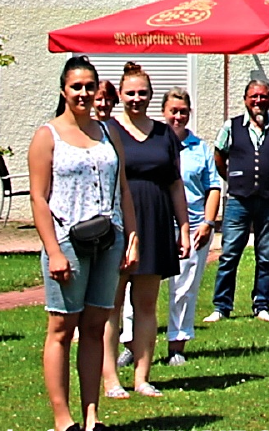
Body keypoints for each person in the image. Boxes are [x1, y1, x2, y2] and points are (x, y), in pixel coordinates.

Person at [27, 57, 121, 431]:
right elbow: (38, 197)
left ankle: (92, 415)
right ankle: (62, 419)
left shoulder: (108, 133)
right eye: (76, 86)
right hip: (67, 241)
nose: (83, 93)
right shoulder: (47, 135)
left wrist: (130, 236)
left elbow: (122, 189)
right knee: (62, 328)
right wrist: (53, 250)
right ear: (63, 90)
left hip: (108, 239)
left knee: (96, 326)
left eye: (89, 86)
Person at [101, 62, 184, 397]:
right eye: (130, 93)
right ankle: (110, 380)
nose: (136, 98)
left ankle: (142, 377)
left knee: (147, 305)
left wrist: (185, 228)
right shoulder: (107, 129)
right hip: (118, 221)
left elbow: (175, 183)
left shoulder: (164, 133)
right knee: (111, 305)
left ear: (151, 95)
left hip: (156, 221)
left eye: (143, 93)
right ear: (120, 95)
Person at [208, 78, 269, 323]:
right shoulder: (231, 126)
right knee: (229, 254)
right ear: (246, 99)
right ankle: (222, 306)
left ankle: (262, 305)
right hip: (238, 200)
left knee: (266, 255)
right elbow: (219, 156)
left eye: (263, 97)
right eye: (254, 97)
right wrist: (234, 178)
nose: (258, 101)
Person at [157, 89, 216, 365]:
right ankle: (131, 345)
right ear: (164, 112)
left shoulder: (200, 148)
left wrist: (208, 222)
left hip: (193, 227)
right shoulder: (153, 143)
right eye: (173, 111)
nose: (178, 117)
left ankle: (177, 346)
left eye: (183, 111)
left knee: (183, 289)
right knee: (139, 289)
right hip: (156, 225)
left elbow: (214, 186)